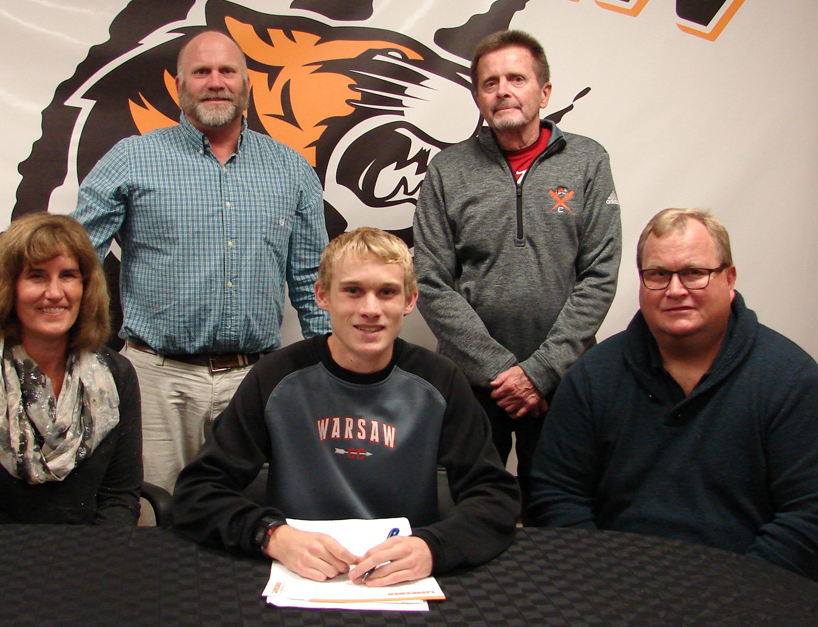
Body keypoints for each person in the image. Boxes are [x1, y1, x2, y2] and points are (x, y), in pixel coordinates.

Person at [0, 30, 330, 494]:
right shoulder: (133, 159)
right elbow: (70, 257)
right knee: (152, 519)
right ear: (180, 87)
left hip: (257, 379)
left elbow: (312, 281)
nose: (215, 82)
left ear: (246, 84)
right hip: (156, 381)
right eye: (201, 72)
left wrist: (336, 372)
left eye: (227, 71)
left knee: (252, 519)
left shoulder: (291, 169)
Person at [173, 227, 520, 586]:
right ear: (322, 296)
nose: (370, 309)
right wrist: (272, 536)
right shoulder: (275, 376)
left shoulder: (440, 380)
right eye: (352, 291)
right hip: (298, 578)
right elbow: (197, 492)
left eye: (387, 292)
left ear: (410, 300)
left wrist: (434, 548)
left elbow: (495, 496)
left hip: (403, 581)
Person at [529, 208, 818, 580]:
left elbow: (808, 516)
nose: (675, 290)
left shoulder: (791, 379)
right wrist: (604, 580)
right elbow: (557, 497)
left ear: (729, 279)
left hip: (751, 594)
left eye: (695, 273)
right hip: (613, 588)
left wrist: (738, 593)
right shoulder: (592, 376)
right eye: (658, 275)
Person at [412, 29, 621, 513]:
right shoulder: (448, 169)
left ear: (544, 92)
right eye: (490, 82)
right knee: (472, 509)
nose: (503, 90)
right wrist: (503, 370)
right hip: (472, 381)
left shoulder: (589, 161)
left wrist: (540, 370)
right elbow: (430, 281)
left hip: (562, 378)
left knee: (558, 508)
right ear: (478, 96)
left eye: (516, 78)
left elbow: (600, 273)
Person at [0, 213, 142, 527]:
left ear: (85, 286)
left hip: (89, 558)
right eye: (36, 276)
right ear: (6, 289)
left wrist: (95, 565)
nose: (54, 293)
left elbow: (118, 498)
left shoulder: (116, 374)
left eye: (67, 275)